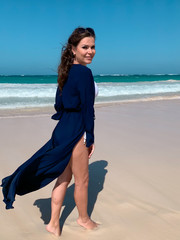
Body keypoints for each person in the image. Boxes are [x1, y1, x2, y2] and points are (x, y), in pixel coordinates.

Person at [1, 27, 99, 236]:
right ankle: (84, 219)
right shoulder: (84, 73)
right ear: (73, 49)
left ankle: (54, 224)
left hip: (62, 129)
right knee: (82, 181)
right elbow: (87, 108)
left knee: (63, 178)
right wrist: (89, 136)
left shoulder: (65, 71)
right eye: (85, 47)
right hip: (76, 130)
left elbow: (58, 105)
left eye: (92, 47)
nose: (90, 51)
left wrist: (68, 120)